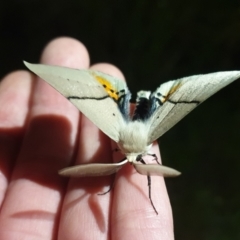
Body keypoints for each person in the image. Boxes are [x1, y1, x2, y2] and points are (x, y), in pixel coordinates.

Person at [0, 37, 174, 239]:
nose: (134, 164)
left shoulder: (122, 143)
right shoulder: (132, 146)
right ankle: (155, 99)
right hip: (146, 121)